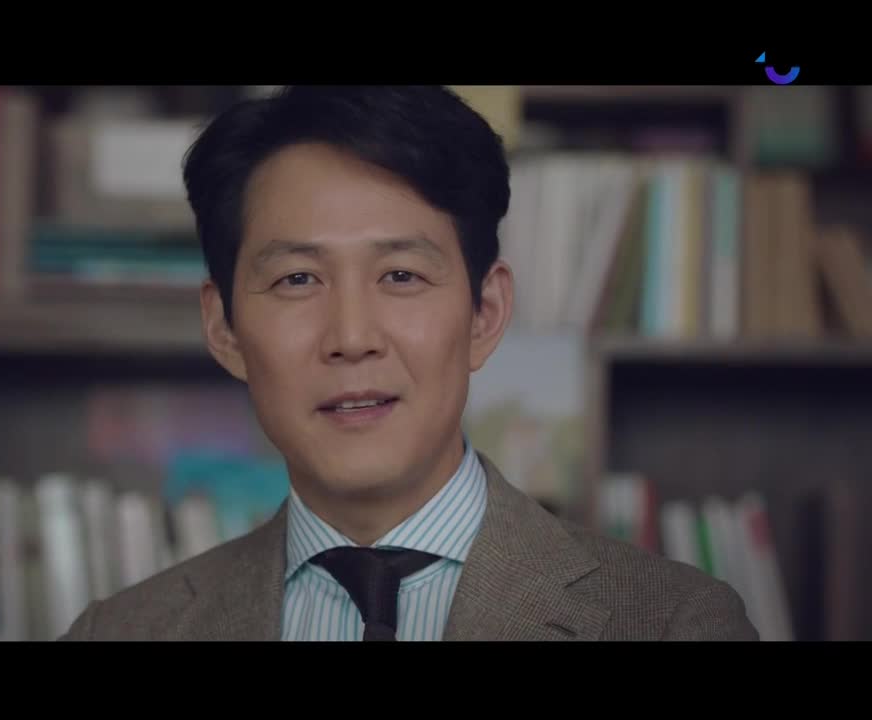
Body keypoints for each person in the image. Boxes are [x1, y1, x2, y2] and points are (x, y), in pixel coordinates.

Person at [60, 85, 758, 641]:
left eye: (401, 276)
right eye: (298, 279)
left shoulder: (675, 624)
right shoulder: (119, 632)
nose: (351, 337)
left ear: (485, 312)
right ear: (224, 328)